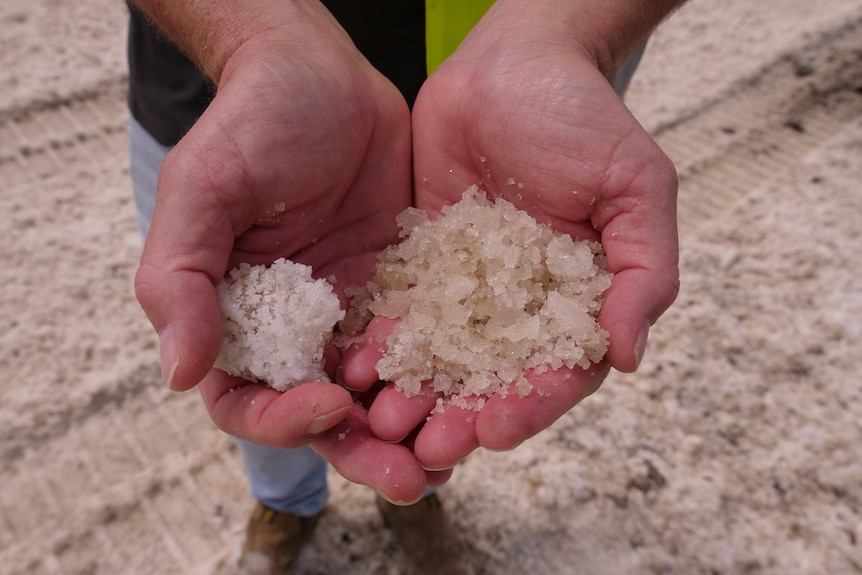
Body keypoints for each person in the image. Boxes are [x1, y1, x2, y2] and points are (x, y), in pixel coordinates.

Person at [126, 1, 682, 573]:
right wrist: (253, 37)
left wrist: (562, 31)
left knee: (418, 417)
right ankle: (285, 503)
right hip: (233, 105)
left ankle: (414, 497)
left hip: (504, 116)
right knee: (256, 380)